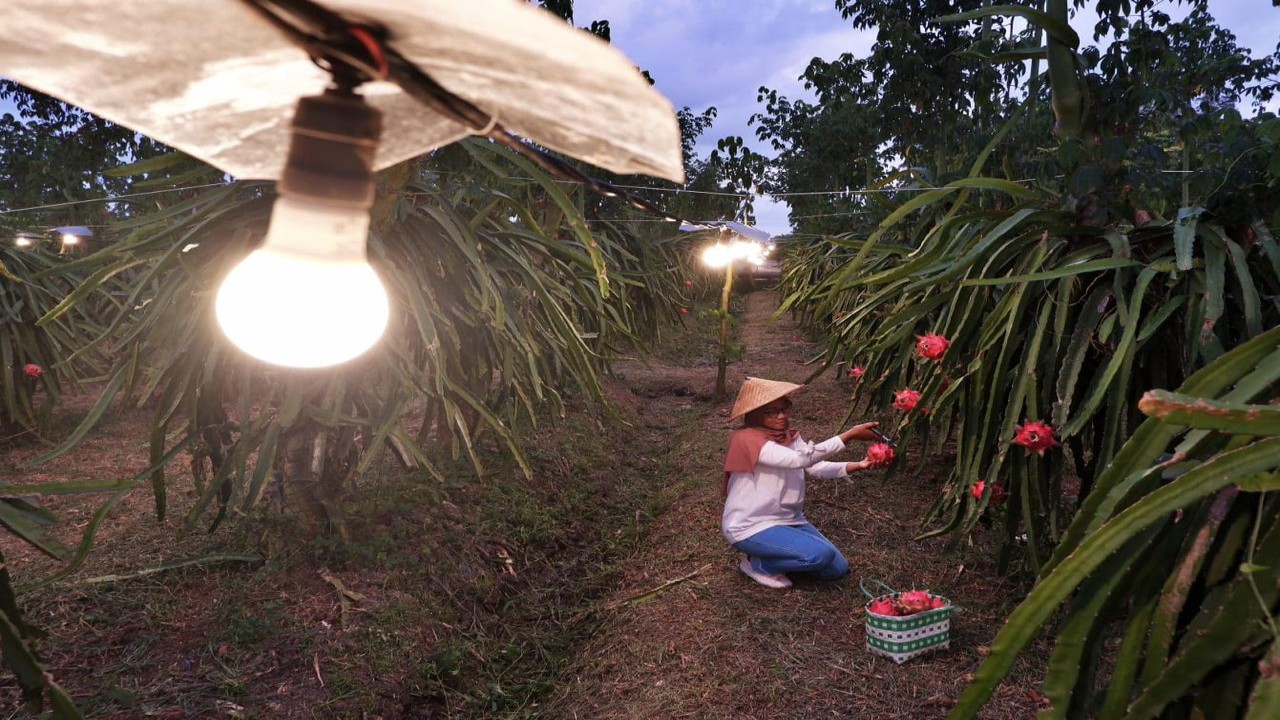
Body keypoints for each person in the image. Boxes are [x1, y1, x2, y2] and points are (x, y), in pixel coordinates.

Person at [721, 376, 887, 589]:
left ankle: (782, 555)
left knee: (837, 569)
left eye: (784, 408)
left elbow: (814, 467)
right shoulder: (746, 439)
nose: (781, 416)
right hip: (751, 525)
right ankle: (758, 563)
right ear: (753, 414)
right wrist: (848, 436)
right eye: (771, 412)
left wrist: (859, 465)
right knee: (820, 556)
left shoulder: (787, 436)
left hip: (789, 520)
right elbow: (797, 460)